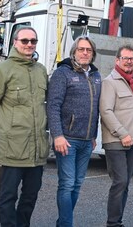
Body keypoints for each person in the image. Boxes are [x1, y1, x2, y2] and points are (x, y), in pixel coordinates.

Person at [0, 27, 49, 227]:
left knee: (30, 196)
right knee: (8, 196)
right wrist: (6, 128)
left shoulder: (41, 70)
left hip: (37, 148)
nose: (30, 44)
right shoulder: (2, 69)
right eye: (25, 41)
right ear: (15, 42)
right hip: (13, 147)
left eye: (33, 41)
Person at [47, 36, 102, 227]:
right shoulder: (62, 73)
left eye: (88, 50)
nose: (85, 53)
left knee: (77, 184)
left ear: (93, 54)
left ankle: (63, 222)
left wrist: (93, 135)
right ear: (74, 52)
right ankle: (65, 224)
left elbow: (95, 108)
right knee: (67, 184)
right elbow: (53, 106)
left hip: (87, 141)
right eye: (81, 49)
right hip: (67, 140)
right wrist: (58, 135)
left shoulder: (96, 75)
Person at [100, 45, 133, 227]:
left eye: (132, 59)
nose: (129, 62)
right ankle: (113, 223)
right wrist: (123, 134)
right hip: (116, 141)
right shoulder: (109, 82)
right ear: (117, 60)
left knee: (125, 183)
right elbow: (106, 111)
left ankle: (118, 221)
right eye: (125, 58)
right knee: (120, 182)